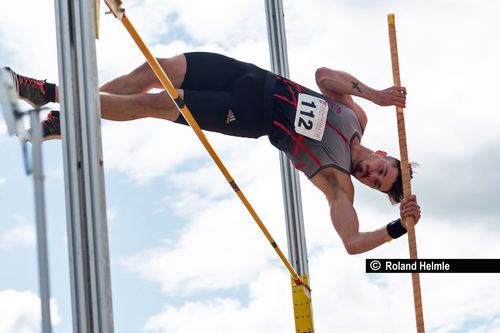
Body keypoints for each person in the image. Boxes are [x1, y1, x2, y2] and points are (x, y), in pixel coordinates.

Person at [4, 52, 421, 254]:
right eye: (381, 170)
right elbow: (325, 76)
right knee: (153, 71)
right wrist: (378, 96)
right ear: (384, 154)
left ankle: (52, 95)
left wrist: (397, 228)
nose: (370, 175)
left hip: (248, 115)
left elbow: (350, 242)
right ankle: (72, 119)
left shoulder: (337, 183)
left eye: (375, 182)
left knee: (160, 104)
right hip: (249, 75)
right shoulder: (357, 117)